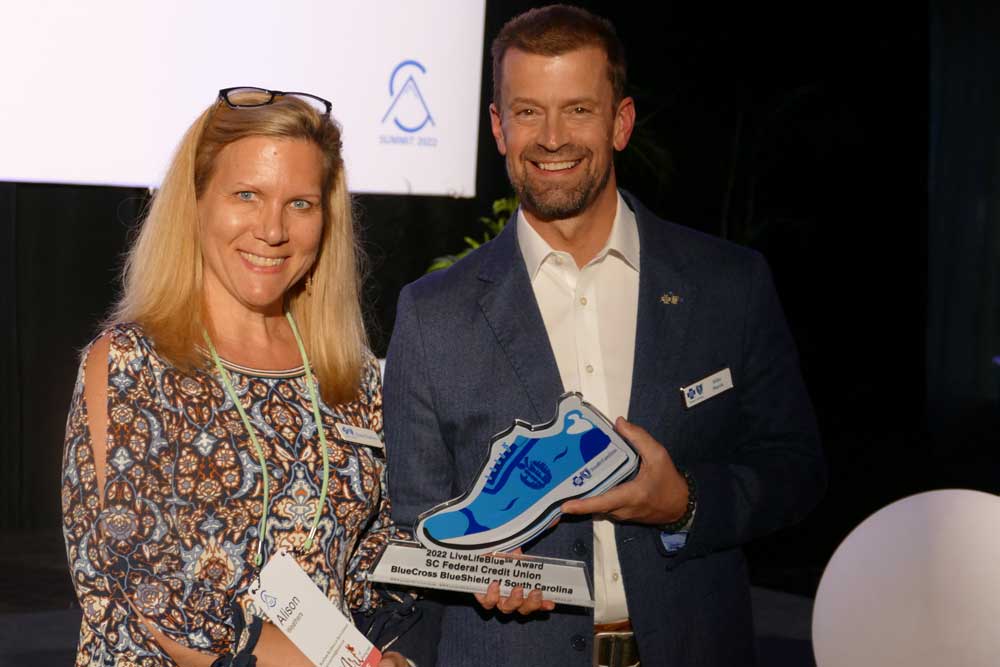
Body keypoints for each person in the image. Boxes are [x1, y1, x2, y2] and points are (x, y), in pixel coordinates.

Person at [383, 5, 827, 666]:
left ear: (620, 123)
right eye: (528, 111)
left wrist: (685, 502)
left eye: (578, 110)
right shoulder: (432, 314)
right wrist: (471, 574)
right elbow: (415, 525)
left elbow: (795, 469)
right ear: (499, 127)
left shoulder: (727, 285)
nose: (552, 138)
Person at [61, 88, 414, 667]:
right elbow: (157, 600)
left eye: (300, 203)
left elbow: (370, 563)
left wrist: (396, 647)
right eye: (247, 195)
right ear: (195, 202)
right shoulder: (132, 362)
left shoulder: (350, 375)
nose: (272, 229)